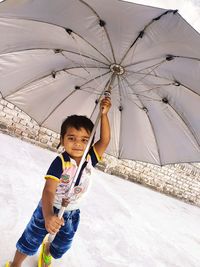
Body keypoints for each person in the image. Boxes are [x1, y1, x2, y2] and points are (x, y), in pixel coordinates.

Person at [7, 96, 111, 267]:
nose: (78, 144)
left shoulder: (90, 158)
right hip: (49, 207)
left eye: (84, 140)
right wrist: (48, 216)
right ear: (62, 140)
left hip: (72, 213)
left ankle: (47, 250)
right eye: (71, 138)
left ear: (91, 143)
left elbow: (105, 140)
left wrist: (104, 115)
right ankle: (15, 264)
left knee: (61, 245)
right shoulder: (60, 162)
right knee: (31, 238)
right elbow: (48, 190)